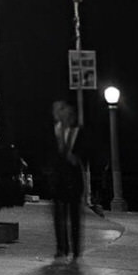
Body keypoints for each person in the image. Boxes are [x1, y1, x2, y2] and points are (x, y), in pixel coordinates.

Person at [49, 99, 93, 263]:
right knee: (59, 217)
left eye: (64, 111)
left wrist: (77, 158)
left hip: (74, 180)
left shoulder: (78, 132)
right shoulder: (54, 131)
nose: (61, 114)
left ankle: (76, 251)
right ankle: (61, 248)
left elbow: (87, 153)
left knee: (75, 217)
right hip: (58, 180)